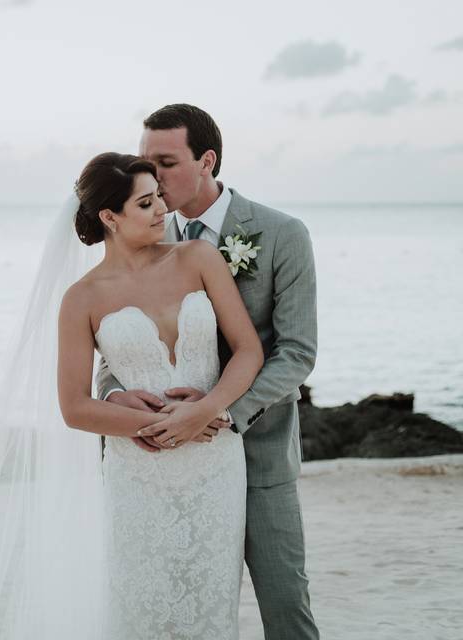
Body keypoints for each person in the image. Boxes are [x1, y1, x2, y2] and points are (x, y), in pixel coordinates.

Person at [97, 103, 321, 639]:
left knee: (285, 603)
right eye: (145, 162)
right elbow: (112, 340)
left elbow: (297, 351)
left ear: (207, 160)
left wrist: (218, 411)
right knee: (175, 608)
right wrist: (112, 395)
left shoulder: (281, 233)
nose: (151, 176)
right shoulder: (146, 236)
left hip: (259, 448)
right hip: (168, 467)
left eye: (166, 162)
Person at [58, 152, 262, 637]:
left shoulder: (197, 259)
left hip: (216, 463)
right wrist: (160, 425)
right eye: (145, 204)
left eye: (159, 199)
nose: (162, 212)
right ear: (109, 217)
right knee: (143, 610)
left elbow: (248, 351)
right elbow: (74, 407)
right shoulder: (82, 298)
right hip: (139, 476)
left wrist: (206, 410)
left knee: (211, 608)